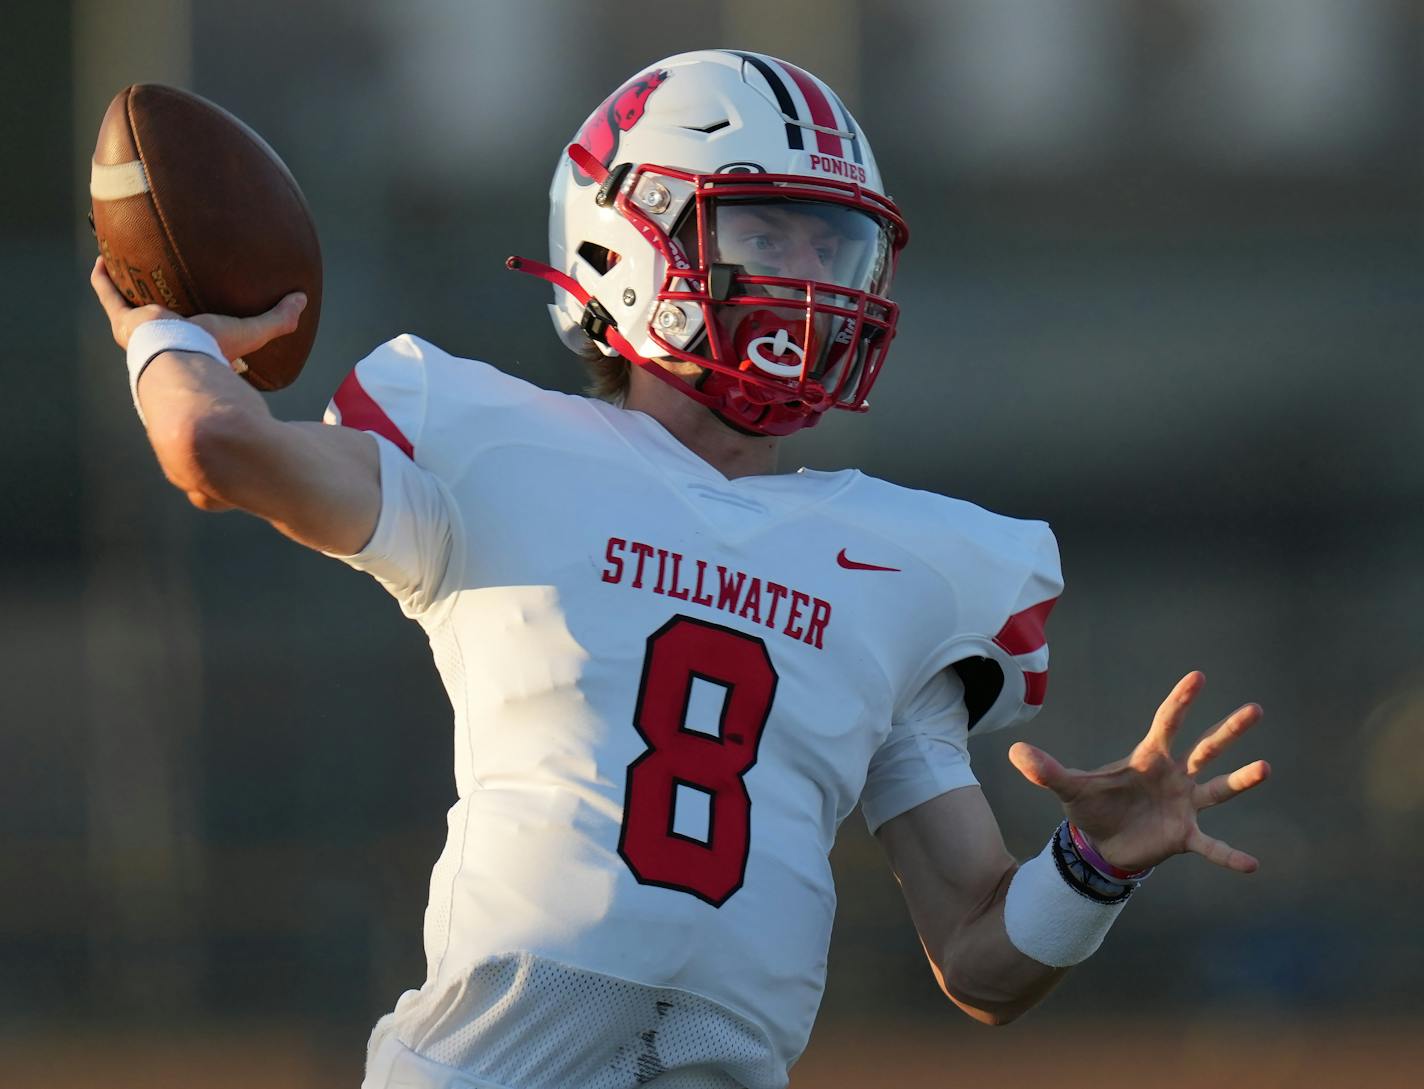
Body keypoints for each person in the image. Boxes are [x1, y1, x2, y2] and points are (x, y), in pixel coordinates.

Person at [90, 49, 1270, 1089]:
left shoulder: (907, 566)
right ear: (626, 235)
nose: (812, 281)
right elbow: (211, 441)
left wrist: (1090, 867)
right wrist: (164, 331)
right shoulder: (485, 445)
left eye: (834, 242)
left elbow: (976, 955)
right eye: (767, 232)